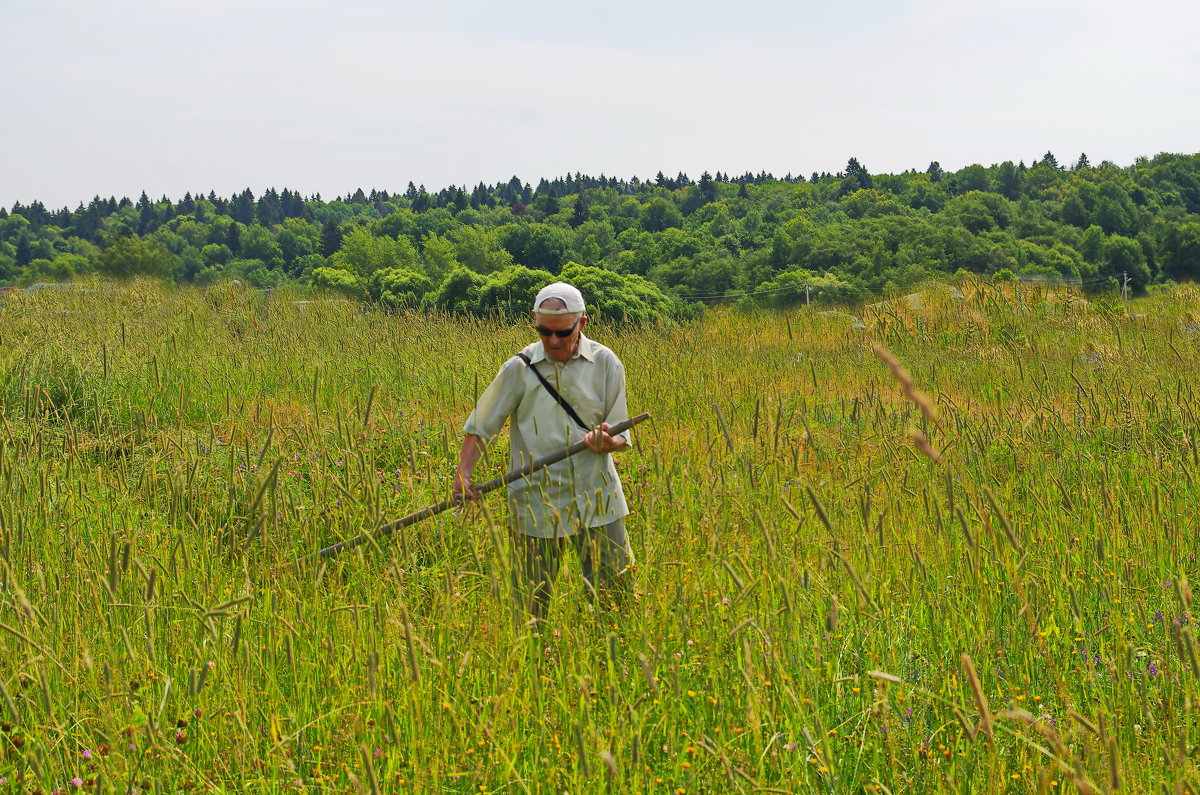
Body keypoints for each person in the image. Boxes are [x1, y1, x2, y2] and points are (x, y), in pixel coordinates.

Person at [454, 282, 633, 623]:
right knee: (531, 604)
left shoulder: (606, 362)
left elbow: (620, 430)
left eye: (562, 333)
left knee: (614, 598)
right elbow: (481, 425)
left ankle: (614, 663)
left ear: (582, 323)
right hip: (536, 501)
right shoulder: (518, 369)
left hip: (598, 498)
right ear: (535, 320)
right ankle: (536, 665)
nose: (552, 341)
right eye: (543, 331)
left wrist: (609, 442)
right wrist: (463, 475)